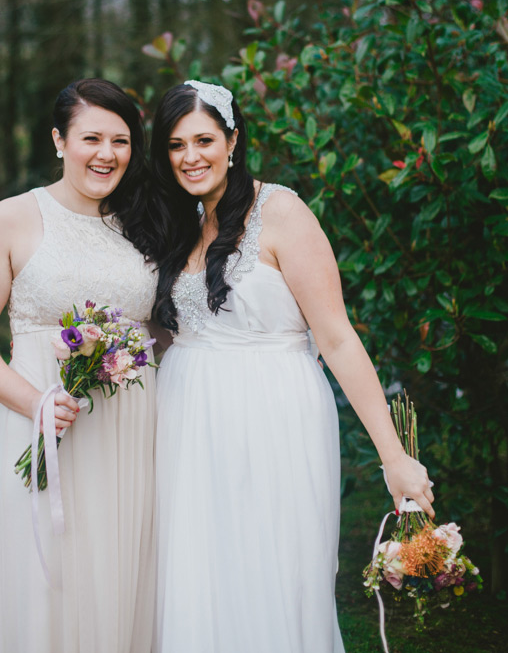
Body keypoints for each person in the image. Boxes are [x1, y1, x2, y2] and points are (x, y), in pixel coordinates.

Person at [149, 80, 435, 653]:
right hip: (184, 420)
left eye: (204, 139)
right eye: (176, 145)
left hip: (273, 416)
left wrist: (393, 456)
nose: (191, 157)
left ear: (233, 140)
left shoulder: (282, 212)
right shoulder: (177, 222)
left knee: (272, 568)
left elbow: (338, 338)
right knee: (194, 573)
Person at [0, 79, 157, 653]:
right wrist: (34, 401)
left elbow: (162, 329)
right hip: (44, 417)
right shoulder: (12, 218)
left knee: (120, 565)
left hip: (130, 429)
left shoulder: (144, 227)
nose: (107, 153)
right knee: (47, 572)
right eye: (91, 137)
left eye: (121, 141)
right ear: (59, 141)